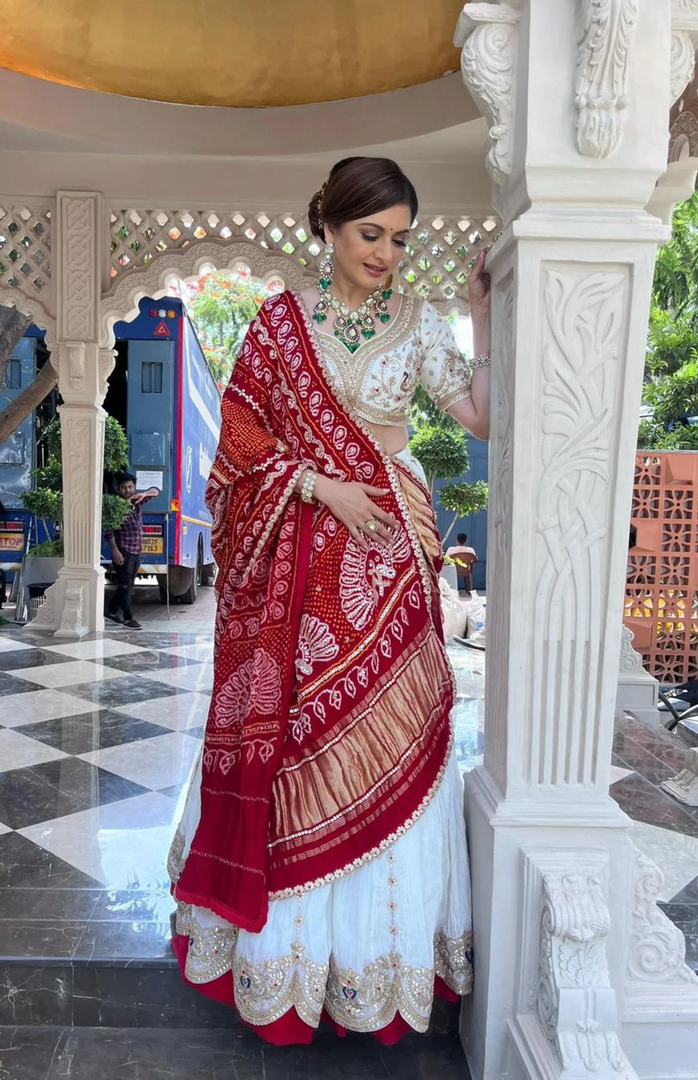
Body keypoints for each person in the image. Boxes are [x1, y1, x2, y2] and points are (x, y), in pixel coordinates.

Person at [168, 157, 491, 1044]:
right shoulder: (280, 323)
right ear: (331, 229)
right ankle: (291, 969)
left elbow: (483, 418)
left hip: (392, 550)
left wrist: (487, 316)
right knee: (303, 734)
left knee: (400, 719)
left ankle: (375, 970)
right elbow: (237, 440)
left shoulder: (422, 325)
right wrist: (317, 482)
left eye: (398, 238)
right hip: (302, 558)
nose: (385, 253)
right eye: (370, 234)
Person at [105, 472, 159, 630]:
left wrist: (144, 494)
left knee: (128, 585)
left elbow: (156, 491)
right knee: (124, 585)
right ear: (118, 489)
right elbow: (109, 531)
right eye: (123, 487)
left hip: (136, 551)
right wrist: (115, 550)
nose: (127, 490)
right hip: (123, 551)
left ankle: (112, 611)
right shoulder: (116, 506)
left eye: (130, 487)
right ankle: (129, 618)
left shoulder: (137, 502)